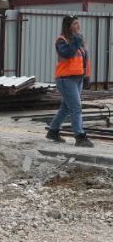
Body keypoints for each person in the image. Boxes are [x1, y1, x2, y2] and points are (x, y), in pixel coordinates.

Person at [46, 14, 93, 147]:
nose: (78, 26)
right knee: (76, 107)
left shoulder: (79, 40)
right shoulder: (62, 40)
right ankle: (80, 136)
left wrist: (87, 77)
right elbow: (68, 53)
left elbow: (85, 60)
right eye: (75, 23)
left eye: (78, 23)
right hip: (65, 79)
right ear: (68, 26)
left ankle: (53, 130)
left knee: (66, 107)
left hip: (77, 79)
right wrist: (77, 39)